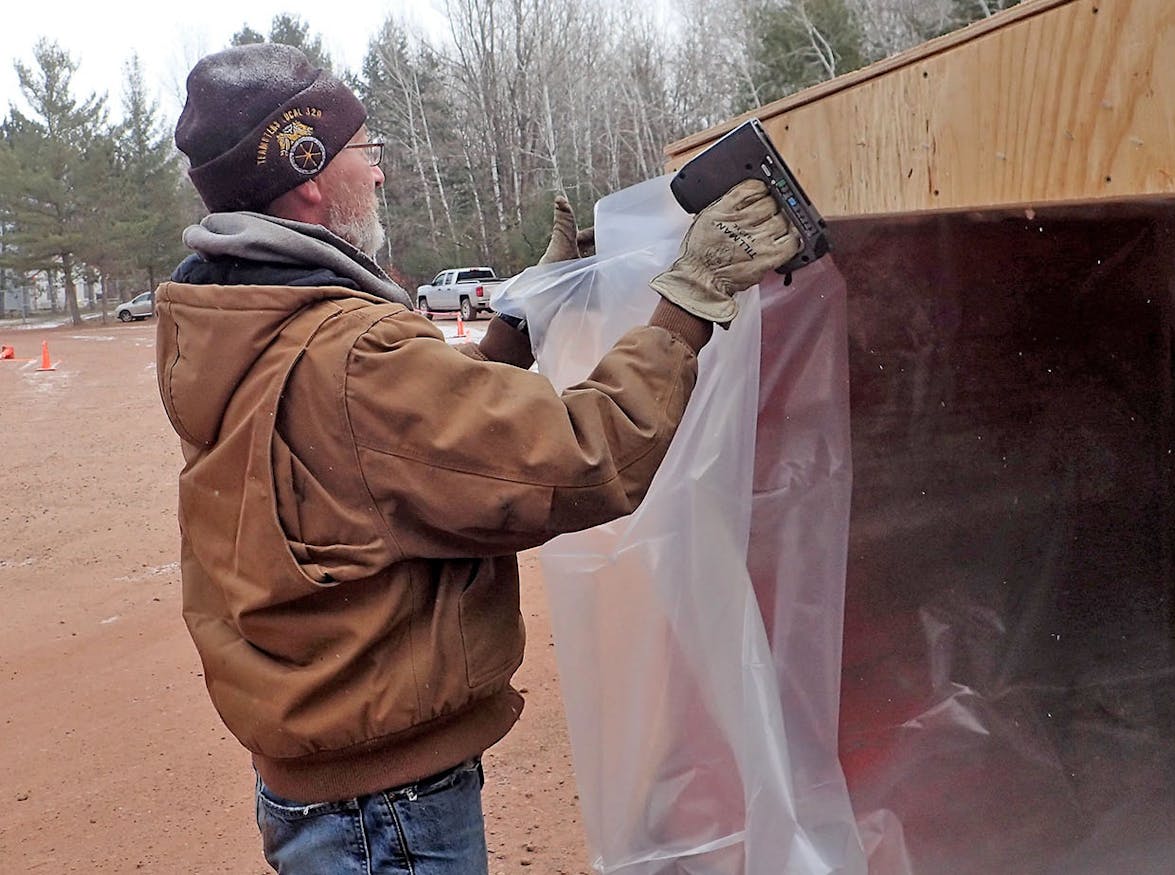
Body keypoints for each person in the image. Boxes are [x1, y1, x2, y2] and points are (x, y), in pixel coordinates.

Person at [156, 43, 798, 875]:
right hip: (384, 814)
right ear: (308, 171)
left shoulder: (232, 321)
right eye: (366, 152)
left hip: (324, 788)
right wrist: (689, 299)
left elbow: (388, 459)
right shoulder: (352, 352)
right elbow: (579, 456)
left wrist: (516, 326)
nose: (378, 174)